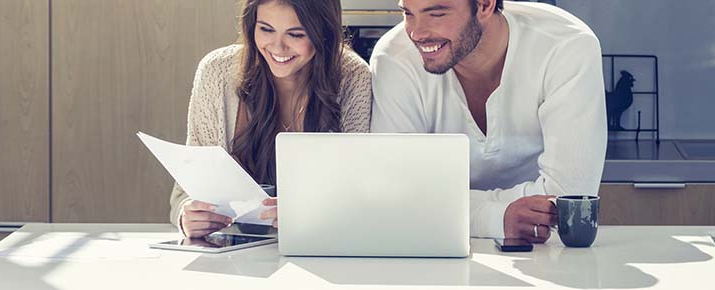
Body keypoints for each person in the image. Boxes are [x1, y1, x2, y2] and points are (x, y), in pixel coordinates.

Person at [370, 0, 606, 243]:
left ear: (484, 5)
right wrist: (496, 217)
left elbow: (568, 199)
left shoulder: (566, 45)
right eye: (408, 13)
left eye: (437, 14)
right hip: (434, 245)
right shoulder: (394, 57)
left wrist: (440, 205)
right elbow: (396, 194)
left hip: (545, 245)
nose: (416, 33)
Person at [168, 0, 373, 238]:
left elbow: (358, 194)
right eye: (265, 29)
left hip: (316, 246)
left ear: (323, 32)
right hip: (233, 253)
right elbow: (184, 194)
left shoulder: (353, 77)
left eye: (296, 34)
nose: (278, 47)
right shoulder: (217, 72)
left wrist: (309, 212)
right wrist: (187, 216)